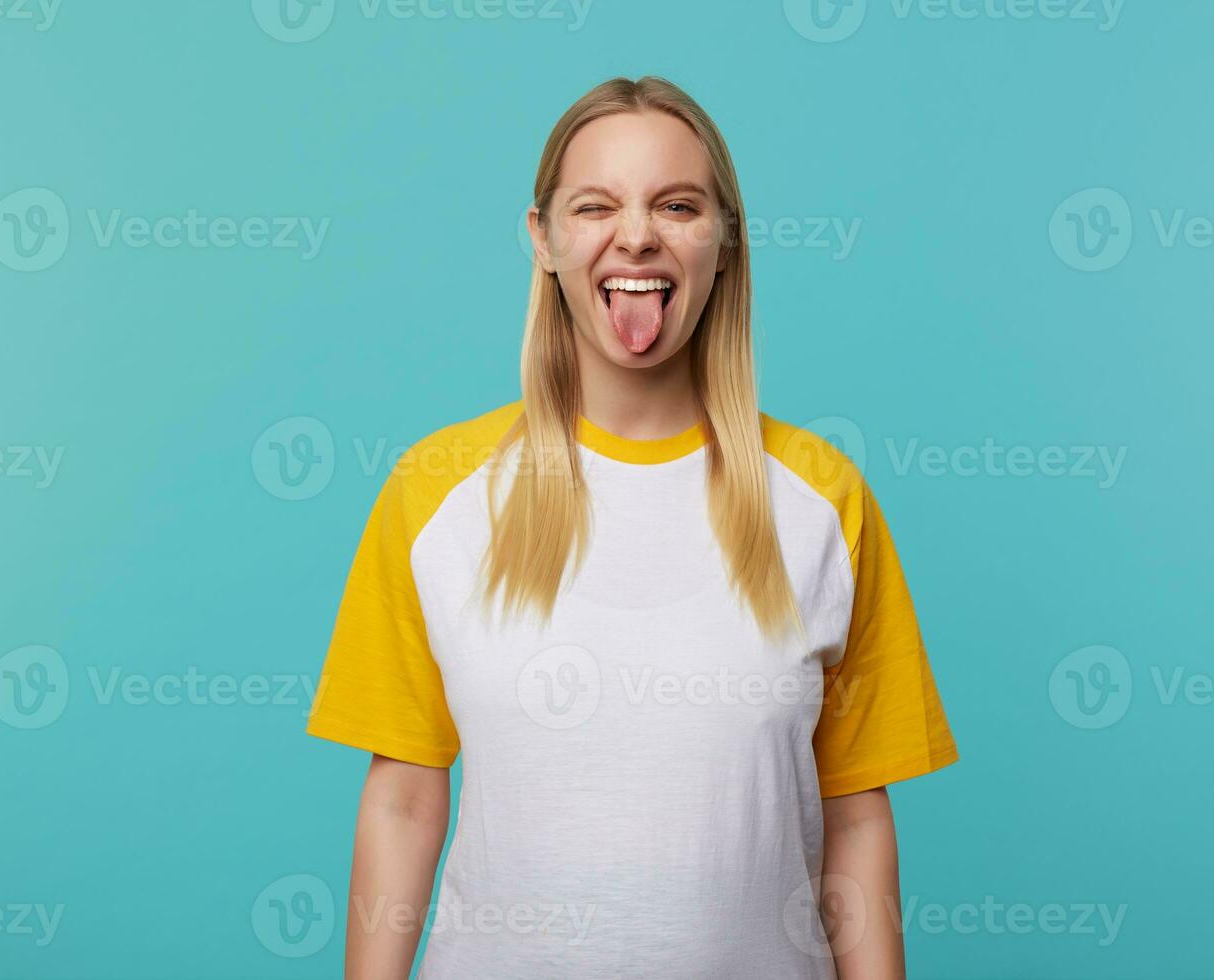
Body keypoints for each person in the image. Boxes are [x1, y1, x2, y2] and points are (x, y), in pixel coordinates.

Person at [306, 74, 958, 980]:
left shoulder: (822, 501)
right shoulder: (435, 493)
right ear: (543, 239)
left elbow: (854, 815)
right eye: (595, 205)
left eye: (678, 205)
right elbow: (406, 798)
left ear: (723, 242)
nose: (638, 234)